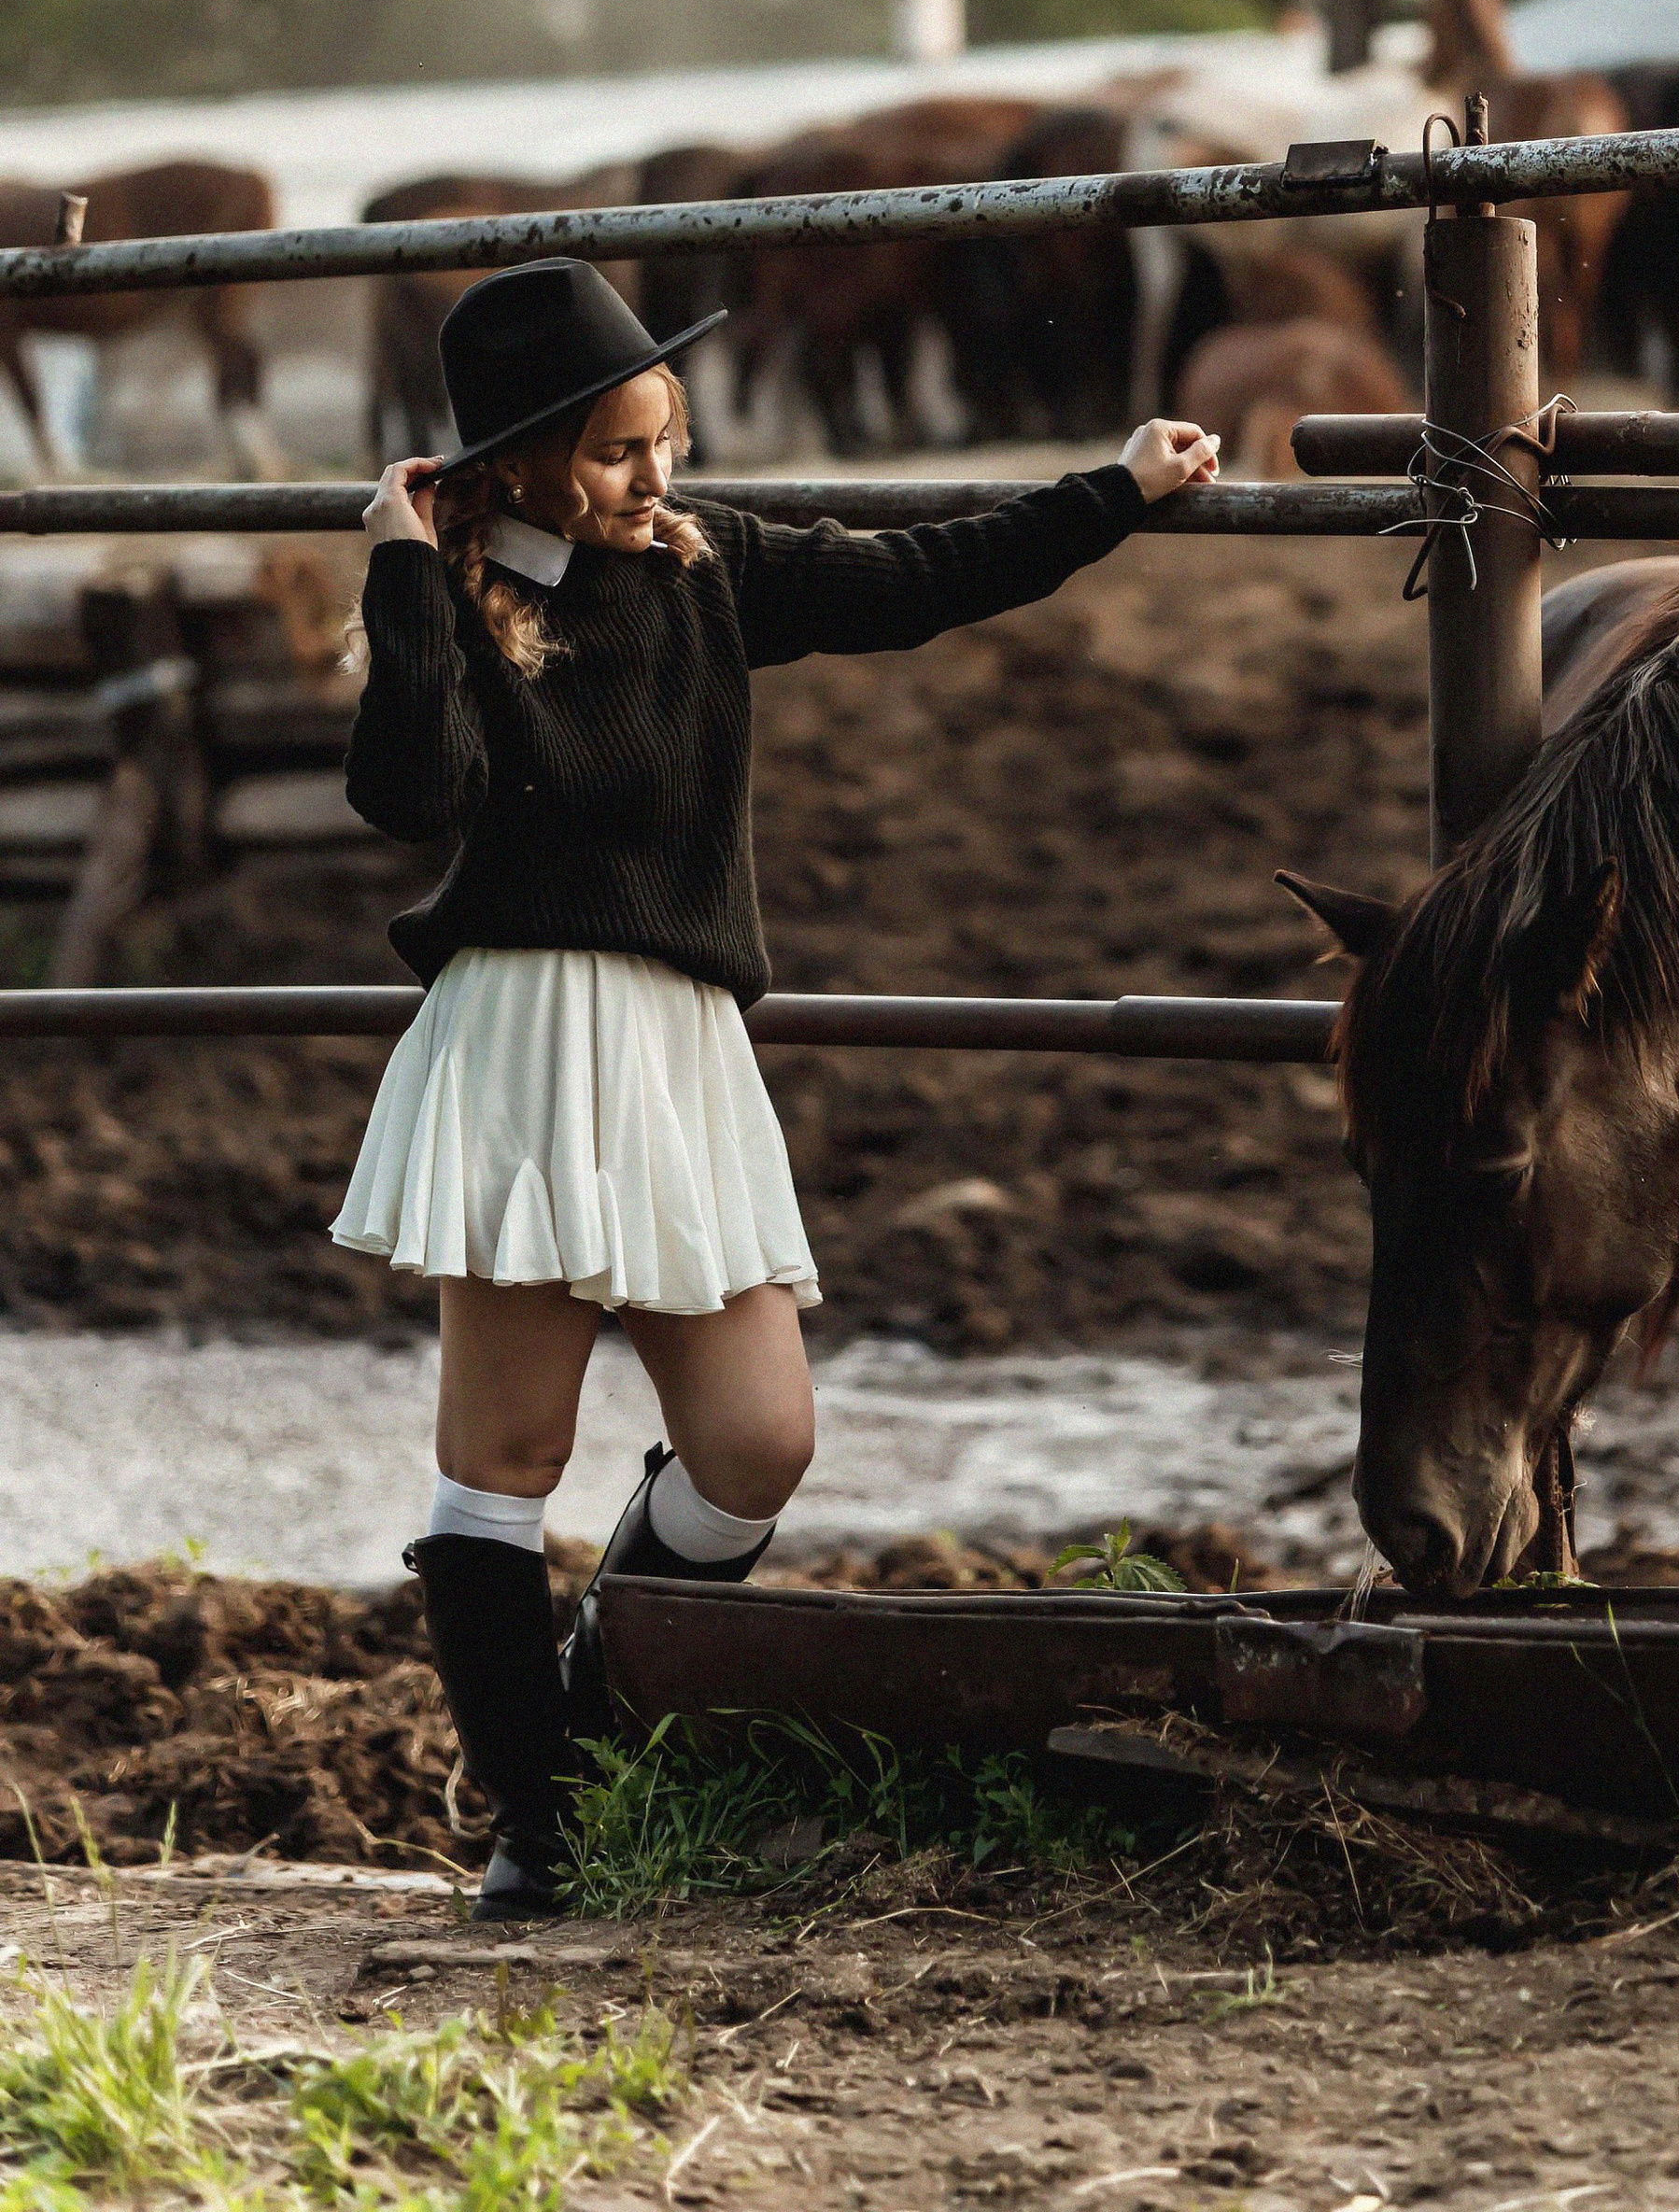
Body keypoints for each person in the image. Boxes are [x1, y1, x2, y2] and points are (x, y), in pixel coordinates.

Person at [333, 255, 1217, 1914]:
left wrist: (1114, 490)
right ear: (520, 462)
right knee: (505, 1460)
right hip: (524, 1041)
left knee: (758, 1442)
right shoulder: (454, 598)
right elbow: (410, 793)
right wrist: (401, 569)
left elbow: (915, 578)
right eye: (615, 452)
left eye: (665, 437)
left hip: (680, 1049)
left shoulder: (708, 566)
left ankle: (595, 1724)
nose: (654, 475)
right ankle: (542, 1833)